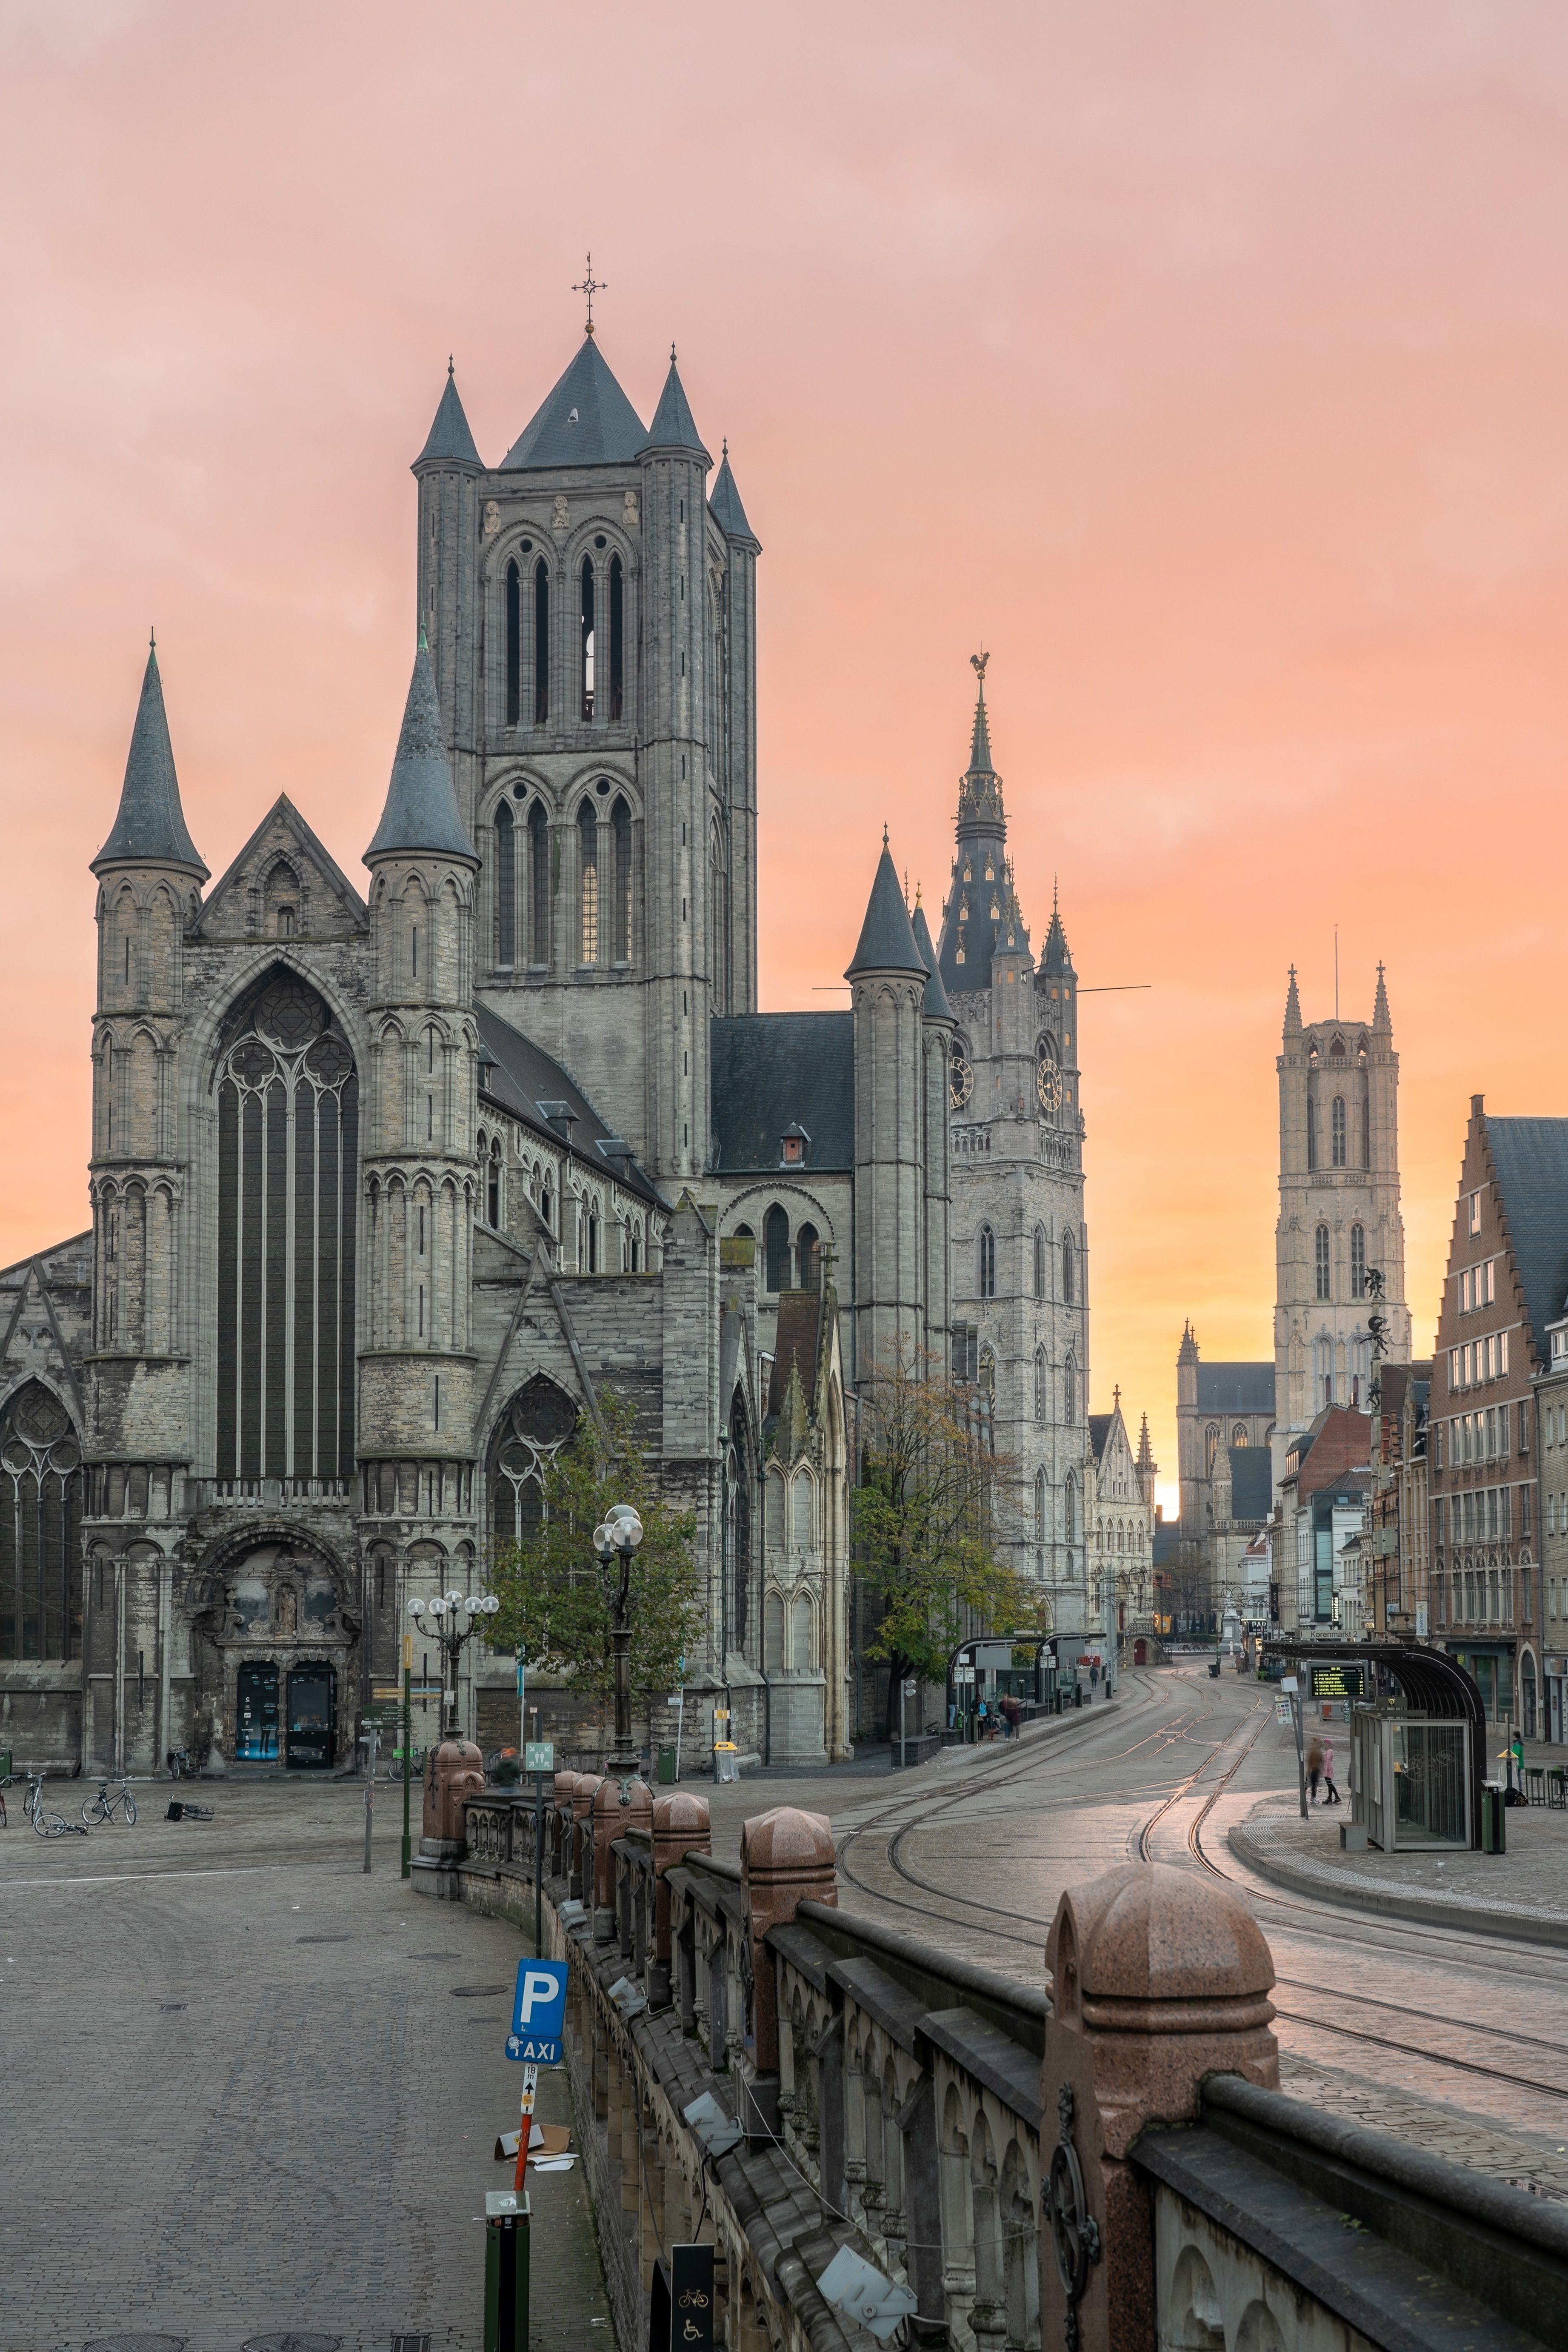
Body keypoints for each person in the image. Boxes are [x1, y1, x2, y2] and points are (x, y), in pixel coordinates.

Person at [1305, 1733, 1323, 1805]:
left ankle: (1312, 1797)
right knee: (1312, 1784)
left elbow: (1321, 1762)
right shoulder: (1314, 1751)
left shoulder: (1317, 1751)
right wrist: (1309, 1768)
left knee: (1312, 1784)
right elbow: (1309, 1760)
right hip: (1313, 1770)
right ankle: (1313, 1797)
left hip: (1315, 1770)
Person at [1322, 1736, 1340, 1807]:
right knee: (1329, 1784)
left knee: (1330, 1784)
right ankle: (1331, 1798)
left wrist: (1326, 1772)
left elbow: (1327, 1761)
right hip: (1327, 1769)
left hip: (1328, 1770)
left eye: (1325, 1744)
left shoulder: (1329, 1751)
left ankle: (1336, 1797)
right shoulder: (1328, 1751)